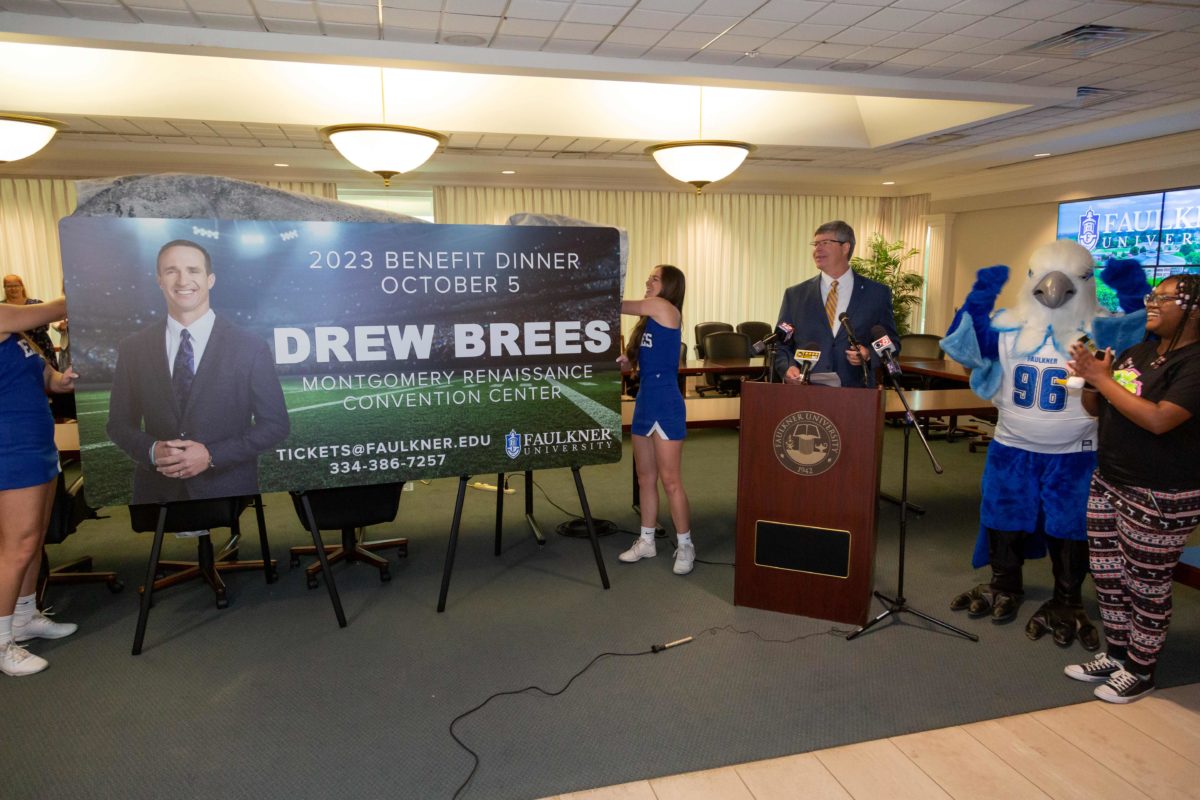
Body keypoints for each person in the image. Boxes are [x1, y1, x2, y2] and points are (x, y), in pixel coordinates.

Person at [1063, 273, 1200, 703]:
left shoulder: (1195, 363)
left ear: (1195, 308)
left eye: (1164, 297)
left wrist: (1102, 380)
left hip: (1161, 493)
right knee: (1108, 575)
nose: (1152, 303)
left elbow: (1160, 419)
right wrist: (1089, 379)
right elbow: (1096, 409)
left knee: (1146, 582)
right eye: (1151, 295)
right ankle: (1118, 653)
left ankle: (1142, 669)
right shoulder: (1139, 351)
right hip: (1110, 480)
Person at [106, 239, 290, 504]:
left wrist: (212, 456)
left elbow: (275, 424)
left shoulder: (250, 346)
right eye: (172, 271)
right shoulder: (133, 348)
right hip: (158, 490)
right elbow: (119, 424)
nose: (183, 280)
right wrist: (152, 450)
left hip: (226, 489)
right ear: (159, 280)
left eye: (193, 270)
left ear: (210, 279)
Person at [0, 296, 79, 676]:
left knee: (34, 540)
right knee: (16, 547)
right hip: (10, 448)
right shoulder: (5, 315)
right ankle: (1, 643)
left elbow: (46, 377)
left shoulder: (15, 330)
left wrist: (60, 380)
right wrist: (84, 282)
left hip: (38, 443)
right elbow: (55, 310)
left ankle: (25, 615)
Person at [617, 265, 695, 575]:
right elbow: (637, 366)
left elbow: (616, 305)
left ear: (669, 286)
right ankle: (647, 539)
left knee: (670, 480)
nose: (647, 282)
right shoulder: (648, 321)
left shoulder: (664, 308)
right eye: (648, 276)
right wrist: (626, 362)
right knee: (644, 478)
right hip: (645, 403)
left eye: (654, 278)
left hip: (666, 403)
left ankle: (686, 544)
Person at [773, 220, 897, 387]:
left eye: (825, 243)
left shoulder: (876, 294)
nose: (817, 249)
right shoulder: (795, 295)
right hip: (807, 391)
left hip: (856, 391)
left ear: (845, 248)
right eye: (815, 244)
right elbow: (781, 344)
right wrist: (787, 367)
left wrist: (868, 354)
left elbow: (890, 341)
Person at [3, 273, 61, 370]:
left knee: (50, 378)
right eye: (9, 286)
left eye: (16, 285)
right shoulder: (2, 307)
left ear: (22, 287)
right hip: (13, 351)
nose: (13, 289)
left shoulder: (37, 304)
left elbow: (45, 326)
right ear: (4, 288)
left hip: (42, 347)